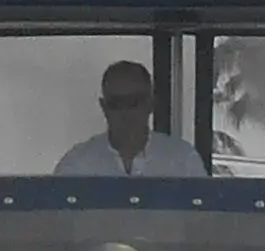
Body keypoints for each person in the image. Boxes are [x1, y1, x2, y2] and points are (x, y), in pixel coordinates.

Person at [53, 58, 207, 178]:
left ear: (151, 104)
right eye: (116, 103)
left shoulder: (183, 160)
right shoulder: (76, 164)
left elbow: (203, 217)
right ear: (103, 107)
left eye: (134, 102)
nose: (125, 112)